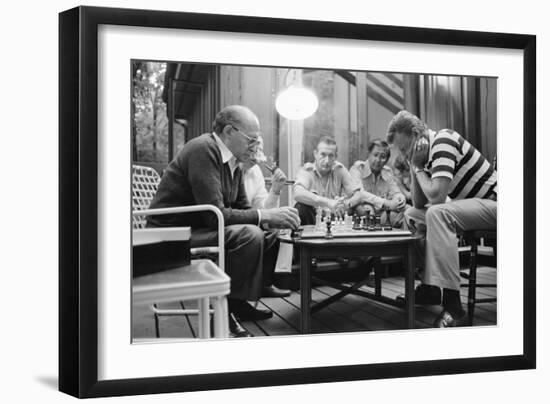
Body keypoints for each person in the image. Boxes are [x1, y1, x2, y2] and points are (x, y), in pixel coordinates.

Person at [147, 105, 300, 337]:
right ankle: (224, 310)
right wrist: (264, 216)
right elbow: (214, 215)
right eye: (252, 139)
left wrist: (271, 221)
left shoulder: (233, 163)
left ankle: (237, 304)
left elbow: (243, 209)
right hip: (170, 237)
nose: (256, 146)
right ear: (229, 132)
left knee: (268, 233)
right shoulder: (203, 149)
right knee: (249, 234)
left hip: (198, 230)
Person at [387, 110, 497, 328]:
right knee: (411, 214)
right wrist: (414, 164)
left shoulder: (443, 141)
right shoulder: (424, 156)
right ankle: (430, 287)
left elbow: (436, 197)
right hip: (472, 208)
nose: (404, 154)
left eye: (404, 147)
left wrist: (417, 167)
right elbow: (418, 203)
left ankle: (454, 306)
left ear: (418, 134)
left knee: (437, 213)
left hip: (498, 205)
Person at [293, 136, 363, 224]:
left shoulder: (339, 169)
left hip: (335, 219)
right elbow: (297, 193)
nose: (327, 161)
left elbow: (358, 195)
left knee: (360, 208)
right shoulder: (307, 171)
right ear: (315, 154)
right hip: (312, 220)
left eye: (331, 156)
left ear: (336, 157)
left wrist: (345, 204)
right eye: (323, 155)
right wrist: (328, 202)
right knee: (301, 206)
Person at [349, 139, 407, 228]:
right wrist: (387, 203)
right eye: (375, 155)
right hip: (363, 213)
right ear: (368, 154)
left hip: (382, 214)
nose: (378, 160)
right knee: (368, 210)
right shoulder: (357, 169)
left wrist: (400, 199)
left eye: (382, 157)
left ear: (387, 160)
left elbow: (396, 192)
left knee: (408, 211)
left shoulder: (387, 172)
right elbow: (360, 194)